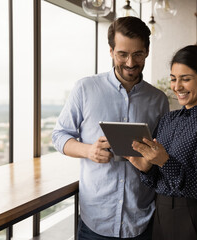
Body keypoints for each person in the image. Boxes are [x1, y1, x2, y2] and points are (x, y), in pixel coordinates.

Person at [52, 16, 169, 240]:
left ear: (147, 51)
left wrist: (151, 159)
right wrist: (88, 151)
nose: (131, 62)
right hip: (95, 219)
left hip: (141, 218)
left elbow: (163, 153)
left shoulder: (159, 99)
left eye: (138, 54)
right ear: (111, 51)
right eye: (122, 54)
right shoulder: (85, 88)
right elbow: (59, 135)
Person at [126, 45, 197, 240]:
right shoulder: (168, 119)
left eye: (186, 79)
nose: (177, 86)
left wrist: (165, 161)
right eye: (173, 79)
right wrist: (146, 168)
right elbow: (157, 178)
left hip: (193, 217)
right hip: (162, 213)